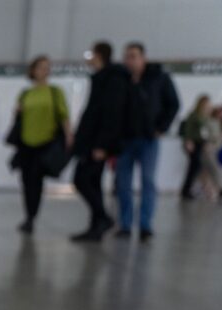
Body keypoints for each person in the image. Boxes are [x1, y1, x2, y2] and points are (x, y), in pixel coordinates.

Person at [115, 42, 179, 242]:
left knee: (148, 181)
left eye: (134, 56)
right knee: (123, 183)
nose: (130, 60)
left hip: (148, 139)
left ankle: (145, 225)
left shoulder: (159, 78)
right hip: (124, 140)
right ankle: (125, 224)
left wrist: (161, 128)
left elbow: (173, 104)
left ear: (143, 58)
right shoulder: (121, 80)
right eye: (127, 56)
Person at [70, 41, 128, 242]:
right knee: (92, 182)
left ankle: (103, 218)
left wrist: (102, 145)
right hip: (92, 141)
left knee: (81, 179)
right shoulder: (103, 78)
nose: (89, 59)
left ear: (99, 55)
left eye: (91, 54)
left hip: (97, 142)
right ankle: (95, 227)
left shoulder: (113, 79)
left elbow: (111, 114)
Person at [11, 55, 72, 234]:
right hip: (25, 143)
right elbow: (18, 118)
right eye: (41, 67)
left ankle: (32, 217)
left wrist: (69, 135)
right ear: (33, 70)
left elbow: (64, 115)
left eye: (47, 67)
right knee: (26, 180)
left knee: (36, 180)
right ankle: (28, 214)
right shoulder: (26, 93)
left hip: (46, 142)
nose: (45, 70)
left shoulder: (55, 91)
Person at [179, 95, 222, 200]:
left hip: (202, 144)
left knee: (201, 167)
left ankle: (212, 189)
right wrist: (188, 140)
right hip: (194, 143)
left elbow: (209, 133)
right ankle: (188, 190)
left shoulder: (207, 116)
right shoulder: (194, 115)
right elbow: (187, 130)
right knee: (196, 167)